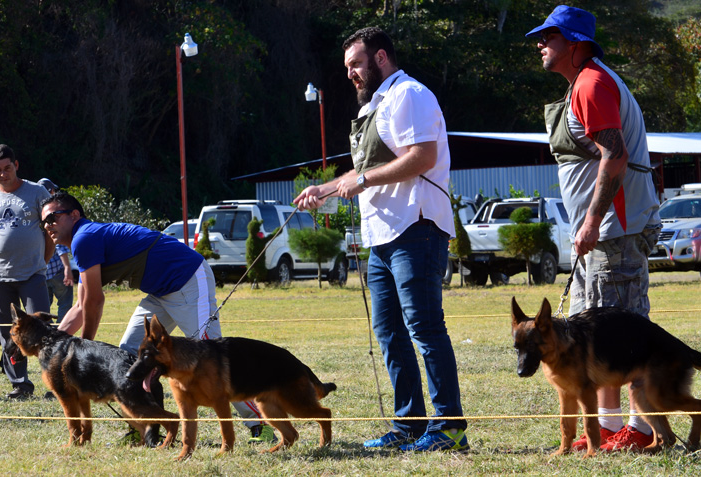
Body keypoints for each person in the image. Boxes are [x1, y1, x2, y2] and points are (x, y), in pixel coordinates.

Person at [294, 26, 468, 452]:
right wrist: (326, 189)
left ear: (382, 58)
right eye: (347, 67)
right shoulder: (375, 105)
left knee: (425, 328)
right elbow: (363, 171)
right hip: (381, 237)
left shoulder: (409, 94)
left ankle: (450, 428)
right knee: (389, 333)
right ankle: (409, 424)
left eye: (356, 64)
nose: (350, 73)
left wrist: (365, 179)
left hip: (417, 228)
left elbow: (422, 157)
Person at [526, 6, 661, 452]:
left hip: (614, 233)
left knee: (624, 336)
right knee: (596, 337)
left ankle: (642, 433)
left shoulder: (592, 82)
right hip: (603, 235)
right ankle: (605, 431)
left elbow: (615, 156)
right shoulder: (584, 82)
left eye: (549, 36)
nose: (540, 43)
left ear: (575, 42)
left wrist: (591, 219)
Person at [41, 191, 275, 443]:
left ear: (74, 215)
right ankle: (146, 429)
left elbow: (95, 301)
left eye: (53, 217)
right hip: (160, 291)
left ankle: (263, 425)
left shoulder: (83, 238)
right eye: (43, 221)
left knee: (212, 360)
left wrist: (83, 347)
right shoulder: (83, 241)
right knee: (129, 353)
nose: (47, 226)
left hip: (187, 279)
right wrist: (53, 344)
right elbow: (80, 304)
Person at [0, 144, 54, 400]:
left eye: (7, 168)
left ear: (16, 165)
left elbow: (50, 230)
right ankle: (20, 384)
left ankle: (56, 382)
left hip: (32, 274)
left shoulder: (37, 192)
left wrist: (42, 260)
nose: (3, 174)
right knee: (8, 332)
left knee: (42, 328)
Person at [38, 179, 74, 321]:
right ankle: (62, 332)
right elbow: (58, 244)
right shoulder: (53, 212)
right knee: (65, 304)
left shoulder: (35, 210)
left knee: (43, 308)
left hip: (41, 271)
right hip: (57, 270)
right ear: (51, 191)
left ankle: (47, 334)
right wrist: (67, 268)